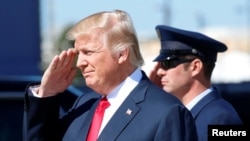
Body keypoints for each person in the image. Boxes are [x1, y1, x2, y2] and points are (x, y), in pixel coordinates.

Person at [23, 10, 197, 141]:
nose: (79, 63)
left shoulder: (167, 112)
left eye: (88, 52)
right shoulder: (84, 104)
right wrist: (47, 94)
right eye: (79, 54)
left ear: (121, 54)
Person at [149, 25, 243, 141]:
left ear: (195, 67)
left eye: (168, 64)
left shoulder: (222, 118)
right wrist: (153, 97)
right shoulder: (176, 114)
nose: (159, 71)